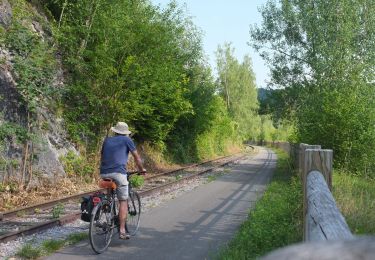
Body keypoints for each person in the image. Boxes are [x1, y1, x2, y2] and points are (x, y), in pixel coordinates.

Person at [100, 121, 146, 240]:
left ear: (115, 131)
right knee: (123, 201)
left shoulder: (107, 140)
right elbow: (136, 157)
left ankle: (107, 207)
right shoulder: (127, 140)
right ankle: (121, 230)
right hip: (119, 173)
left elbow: (103, 155)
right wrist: (142, 170)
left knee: (110, 195)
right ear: (126, 133)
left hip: (104, 172)